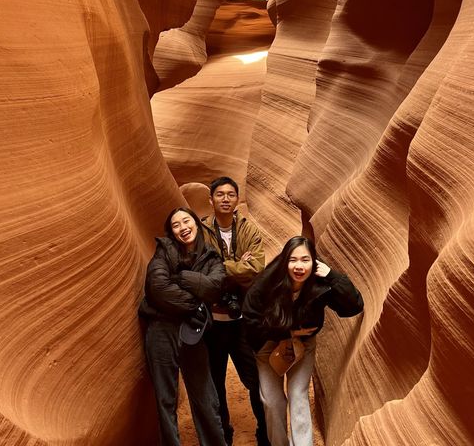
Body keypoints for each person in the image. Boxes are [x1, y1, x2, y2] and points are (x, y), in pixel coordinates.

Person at [242, 236, 364, 446]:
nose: (299, 266)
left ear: (314, 262)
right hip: (268, 344)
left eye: (305, 260)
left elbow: (354, 306)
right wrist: (287, 332)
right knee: (272, 402)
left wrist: (332, 275)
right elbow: (250, 319)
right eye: (293, 259)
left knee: (298, 397)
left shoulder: (319, 282)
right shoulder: (268, 281)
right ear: (285, 261)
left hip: (303, 345)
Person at [139, 207, 227, 446]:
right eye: (176, 225)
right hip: (161, 328)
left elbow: (215, 287)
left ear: (196, 224)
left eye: (186, 221)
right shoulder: (164, 251)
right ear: (171, 231)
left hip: (193, 332)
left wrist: (181, 278)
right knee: (165, 398)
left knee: (206, 399)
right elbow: (157, 288)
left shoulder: (211, 256)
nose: (182, 227)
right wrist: (195, 305)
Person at [200, 177, 270, 446]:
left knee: (255, 380)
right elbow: (201, 269)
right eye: (220, 194)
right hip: (212, 322)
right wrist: (236, 266)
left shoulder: (247, 229)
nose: (226, 199)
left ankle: (264, 434)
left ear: (237, 200)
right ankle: (223, 435)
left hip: (242, 321)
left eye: (231, 194)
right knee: (216, 383)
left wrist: (220, 267)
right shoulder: (203, 230)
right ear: (211, 200)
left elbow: (257, 268)